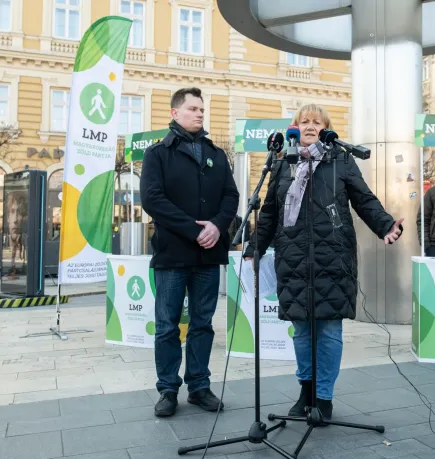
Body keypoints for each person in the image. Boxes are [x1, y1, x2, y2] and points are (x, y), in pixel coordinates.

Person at [244, 104, 403, 420]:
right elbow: (271, 213)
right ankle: (306, 391)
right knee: (302, 330)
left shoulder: (341, 159)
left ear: (327, 128)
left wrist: (385, 225)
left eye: (317, 122)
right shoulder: (281, 163)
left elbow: (363, 198)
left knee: (329, 330)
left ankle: (324, 397)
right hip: (293, 259)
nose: (310, 126)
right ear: (295, 127)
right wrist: (254, 246)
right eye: (304, 121)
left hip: (333, 256)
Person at [140, 87, 239, 417]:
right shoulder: (157, 155)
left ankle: (199, 386)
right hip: (172, 255)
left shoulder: (216, 153)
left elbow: (230, 196)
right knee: (167, 324)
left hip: (208, 256)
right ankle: (168, 389)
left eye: (201, 109)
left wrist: (216, 226)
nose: (199, 113)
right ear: (175, 113)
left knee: (203, 323)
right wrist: (195, 230)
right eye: (193, 108)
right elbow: (153, 200)